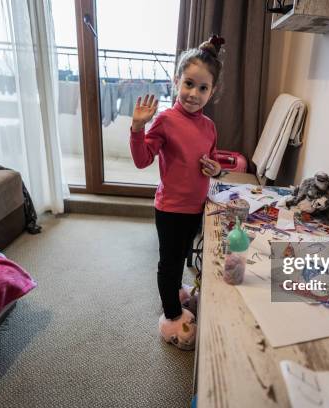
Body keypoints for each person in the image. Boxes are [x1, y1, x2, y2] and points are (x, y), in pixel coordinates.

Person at [129, 35, 225, 350]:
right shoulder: (166, 120)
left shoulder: (210, 127)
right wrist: (137, 128)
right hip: (170, 209)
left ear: (213, 92)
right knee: (168, 263)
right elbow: (143, 159)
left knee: (183, 256)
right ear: (176, 81)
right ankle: (171, 314)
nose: (193, 94)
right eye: (188, 84)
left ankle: (177, 291)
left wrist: (214, 169)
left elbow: (210, 161)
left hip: (196, 206)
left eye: (202, 88)